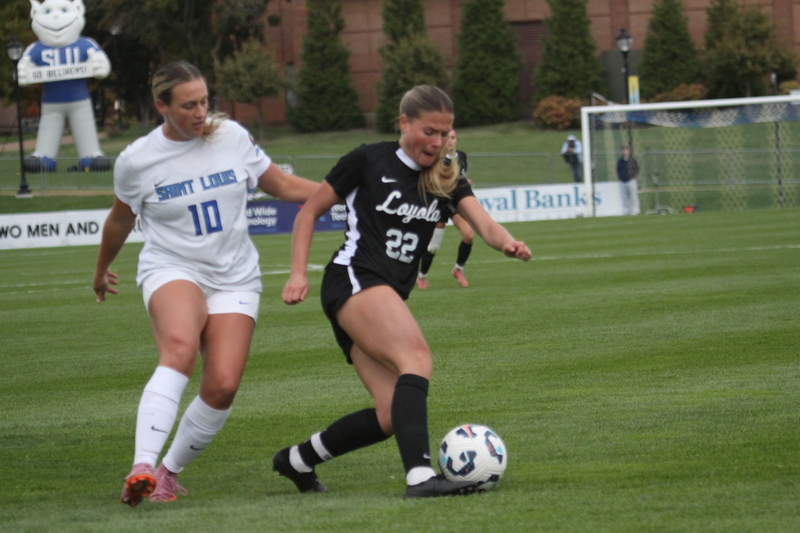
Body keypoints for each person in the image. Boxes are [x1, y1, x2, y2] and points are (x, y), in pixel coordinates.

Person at [276, 85, 531, 498]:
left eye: (445, 133)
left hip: (378, 292)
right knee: (416, 357)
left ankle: (298, 460)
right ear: (404, 124)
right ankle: (420, 478)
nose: (437, 142)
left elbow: (484, 225)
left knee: (389, 413)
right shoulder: (367, 159)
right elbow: (308, 212)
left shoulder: (446, 178)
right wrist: (296, 273)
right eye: (429, 131)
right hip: (354, 277)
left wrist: (507, 243)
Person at [92, 60, 318, 507]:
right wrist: (101, 269)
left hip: (235, 275)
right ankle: (141, 463)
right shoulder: (136, 160)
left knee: (222, 386)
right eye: (188, 105)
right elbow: (120, 221)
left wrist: (347, 190)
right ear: (161, 106)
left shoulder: (231, 136)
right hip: (173, 267)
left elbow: (284, 185)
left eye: (205, 102)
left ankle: (166, 474)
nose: (201, 113)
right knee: (179, 347)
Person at [416, 129, 474, 289]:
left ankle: (458, 269)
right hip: (440, 204)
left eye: (453, 138)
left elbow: (460, 176)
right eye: (447, 138)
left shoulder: (461, 156)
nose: (450, 141)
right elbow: (437, 179)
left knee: (468, 235)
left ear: (457, 140)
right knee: (433, 247)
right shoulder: (437, 159)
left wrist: (465, 182)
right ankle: (422, 276)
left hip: (454, 203)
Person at [616, 144, 640, 215]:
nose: (624, 152)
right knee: (624, 197)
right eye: (623, 150)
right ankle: (626, 210)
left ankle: (635, 210)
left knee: (633, 196)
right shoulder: (620, 161)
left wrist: (632, 175)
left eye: (626, 150)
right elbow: (618, 170)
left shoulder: (632, 160)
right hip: (623, 181)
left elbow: (636, 168)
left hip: (631, 180)